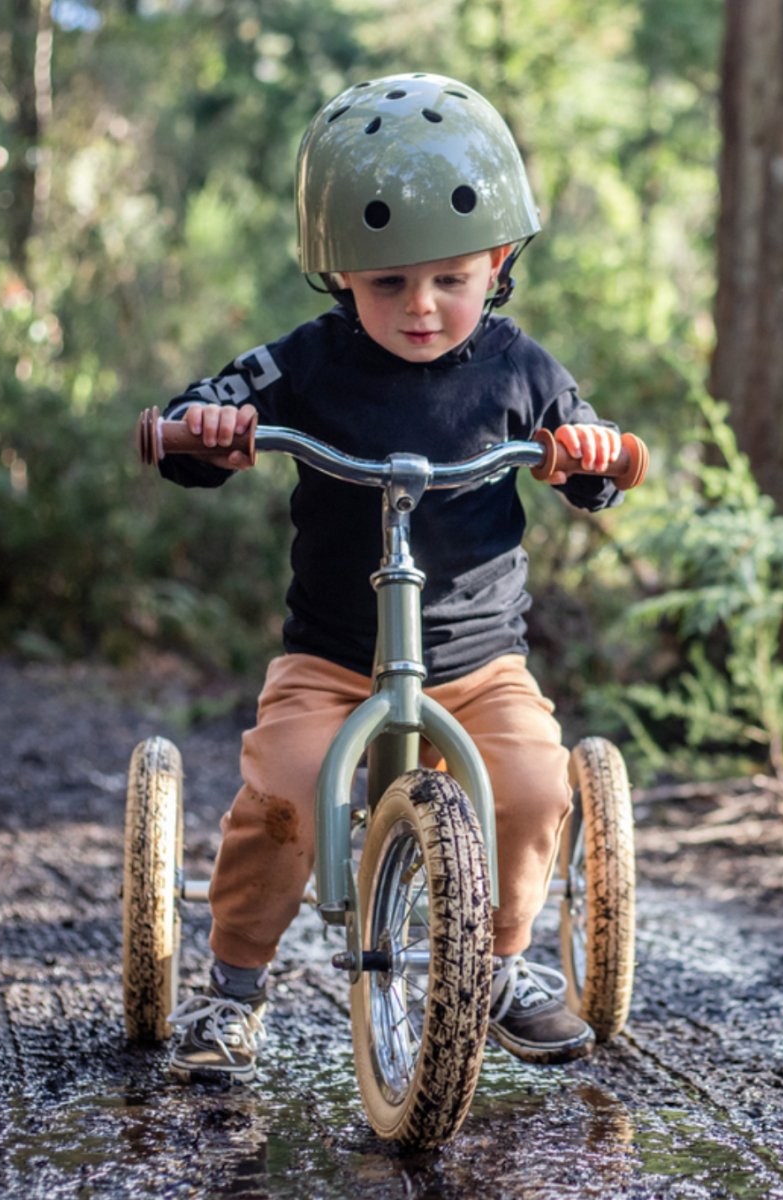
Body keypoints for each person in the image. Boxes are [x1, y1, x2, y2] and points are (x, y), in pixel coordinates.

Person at [160, 72, 625, 1082]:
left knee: (535, 786)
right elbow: (200, 416)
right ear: (338, 278)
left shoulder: (518, 369)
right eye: (387, 285)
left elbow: (588, 464)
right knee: (283, 793)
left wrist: (585, 453)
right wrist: (208, 426)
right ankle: (232, 990)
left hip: (477, 663)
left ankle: (498, 967)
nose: (420, 307)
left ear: (497, 263)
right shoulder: (307, 363)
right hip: (331, 660)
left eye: (449, 279)